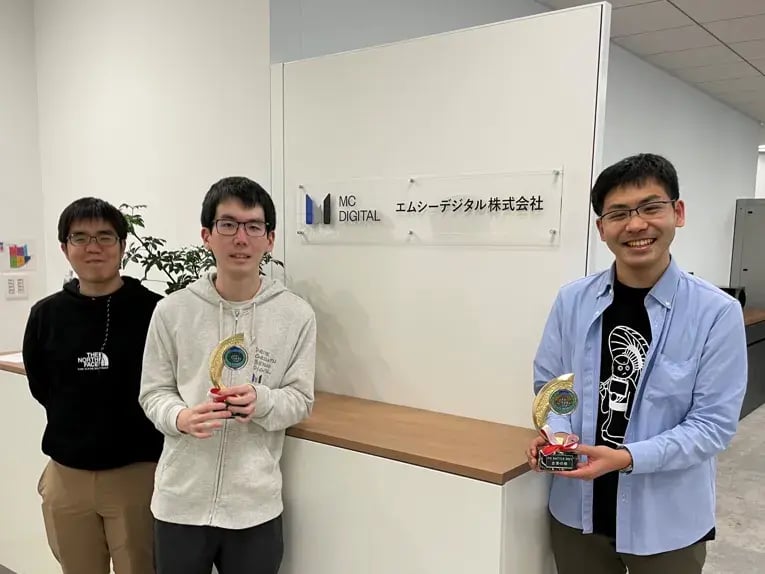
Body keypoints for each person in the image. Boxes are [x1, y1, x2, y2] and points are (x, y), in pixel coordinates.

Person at [527, 153, 747, 574]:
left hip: (667, 523)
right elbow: (552, 386)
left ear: (677, 213)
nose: (636, 224)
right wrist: (556, 437)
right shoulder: (572, 301)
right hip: (577, 515)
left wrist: (627, 457)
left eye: (650, 207)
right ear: (602, 228)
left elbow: (713, 426)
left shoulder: (716, 313)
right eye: (619, 213)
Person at [139, 176, 316, 574]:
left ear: (270, 240)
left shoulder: (296, 315)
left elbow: (301, 399)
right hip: (180, 502)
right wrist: (180, 417)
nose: (241, 238)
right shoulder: (172, 311)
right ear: (207, 235)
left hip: (254, 506)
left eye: (254, 226)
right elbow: (153, 392)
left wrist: (262, 401)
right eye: (228, 224)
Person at [22, 197, 164, 574]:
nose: (93, 247)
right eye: (80, 237)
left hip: (138, 473)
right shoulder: (45, 315)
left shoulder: (156, 311)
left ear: (122, 245)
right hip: (67, 475)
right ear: (64, 247)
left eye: (105, 236)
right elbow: (41, 386)